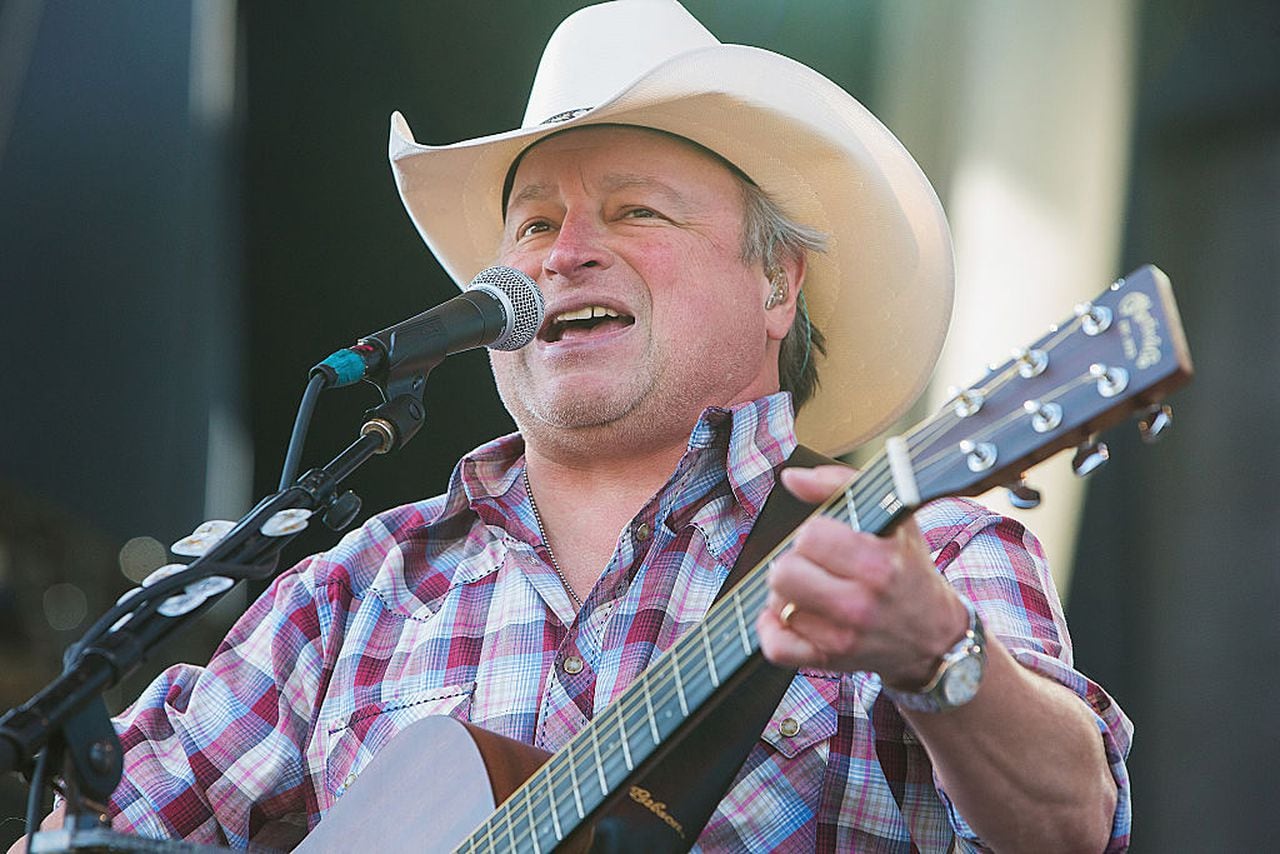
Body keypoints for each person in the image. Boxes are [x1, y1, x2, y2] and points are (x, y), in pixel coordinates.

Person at [16, 1, 1131, 851]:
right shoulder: (350, 591)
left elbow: (1073, 821)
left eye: (636, 209)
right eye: (534, 221)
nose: (562, 251)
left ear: (777, 281)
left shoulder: (913, 556)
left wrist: (934, 653)